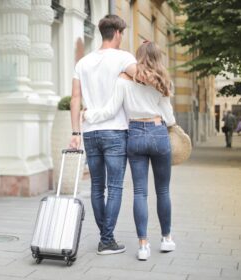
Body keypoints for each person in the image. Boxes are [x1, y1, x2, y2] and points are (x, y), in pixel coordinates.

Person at [83, 41, 177, 261]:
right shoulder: (162, 81)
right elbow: (170, 117)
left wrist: (89, 115)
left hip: (134, 135)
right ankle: (166, 239)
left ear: (137, 58)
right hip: (158, 131)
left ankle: (143, 246)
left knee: (140, 193)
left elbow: (110, 110)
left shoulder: (124, 81)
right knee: (163, 191)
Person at [69, 14, 137, 255]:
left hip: (90, 131)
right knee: (115, 187)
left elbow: (75, 98)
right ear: (118, 32)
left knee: (98, 187)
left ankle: (105, 236)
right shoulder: (124, 58)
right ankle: (106, 240)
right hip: (116, 131)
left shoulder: (83, 62)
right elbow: (143, 78)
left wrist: (76, 131)